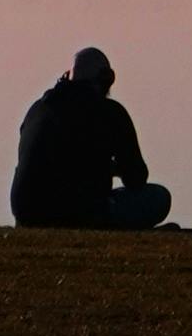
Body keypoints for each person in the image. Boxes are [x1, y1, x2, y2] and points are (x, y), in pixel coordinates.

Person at [9, 41, 171, 232]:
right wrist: (110, 168)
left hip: (28, 212)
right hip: (79, 212)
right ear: (105, 79)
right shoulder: (110, 112)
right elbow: (136, 177)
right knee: (159, 197)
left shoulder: (37, 109)